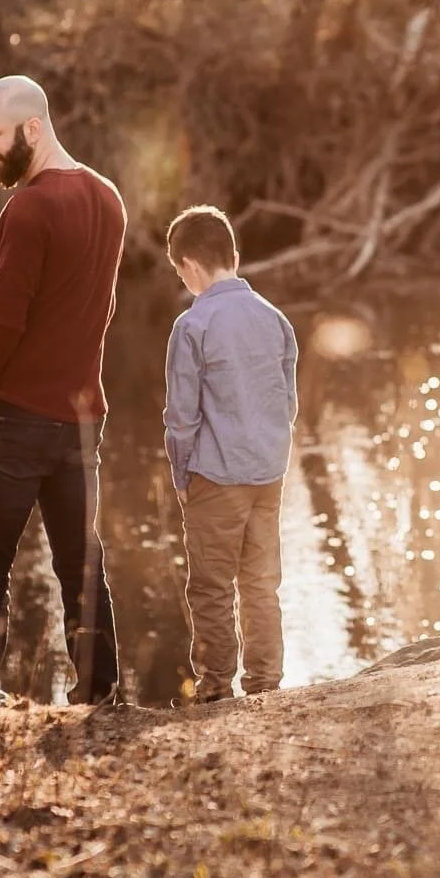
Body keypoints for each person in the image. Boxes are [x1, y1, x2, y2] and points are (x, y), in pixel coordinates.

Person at [0, 75, 127, 703]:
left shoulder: (28, 208)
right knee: (82, 564)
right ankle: (100, 694)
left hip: (14, 420)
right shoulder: (108, 197)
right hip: (82, 418)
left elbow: (3, 317)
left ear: (33, 129)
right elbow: (103, 311)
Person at [162, 205, 300, 702]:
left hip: (216, 477)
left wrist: (182, 476)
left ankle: (216, 687)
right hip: (268, 472)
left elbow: (182, 417)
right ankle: (266, 685)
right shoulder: (275, 319)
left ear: (189, 267)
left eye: (180, 271)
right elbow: (288, 403)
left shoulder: (193, 325)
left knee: (212, 588)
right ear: (235, 257)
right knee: (262, 583)